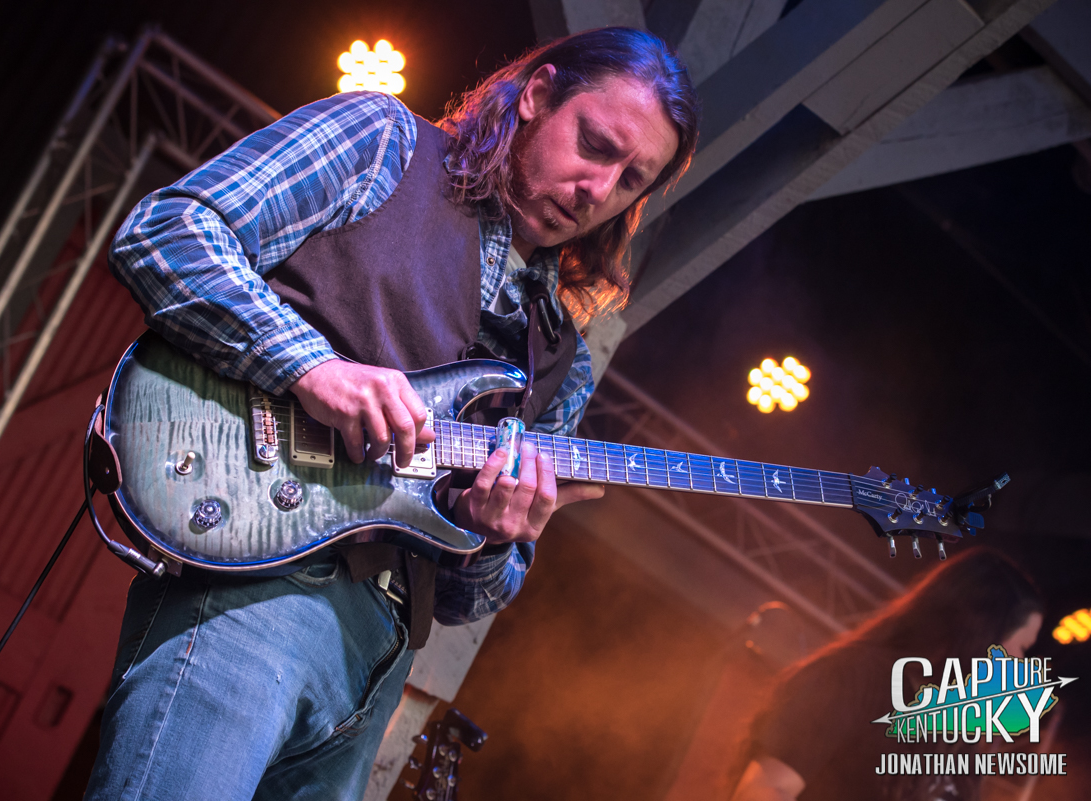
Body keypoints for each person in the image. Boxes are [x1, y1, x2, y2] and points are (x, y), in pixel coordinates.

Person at [85, 27, 701, 800]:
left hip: (376, 671)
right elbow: (167, 234)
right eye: (595, 144)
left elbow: (468, 597)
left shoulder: (562, 360)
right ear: (539, 95)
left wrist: (489, 532)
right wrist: (312, 368)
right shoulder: (384, 143)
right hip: (252, 587)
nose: (597, 189)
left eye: (629, 179)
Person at [729, 548, 1044, 801]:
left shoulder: (961, 742)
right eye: (1021, 648)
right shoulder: (852, 678)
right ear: (979, 632)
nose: (1018, 664)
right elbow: (763, 790)